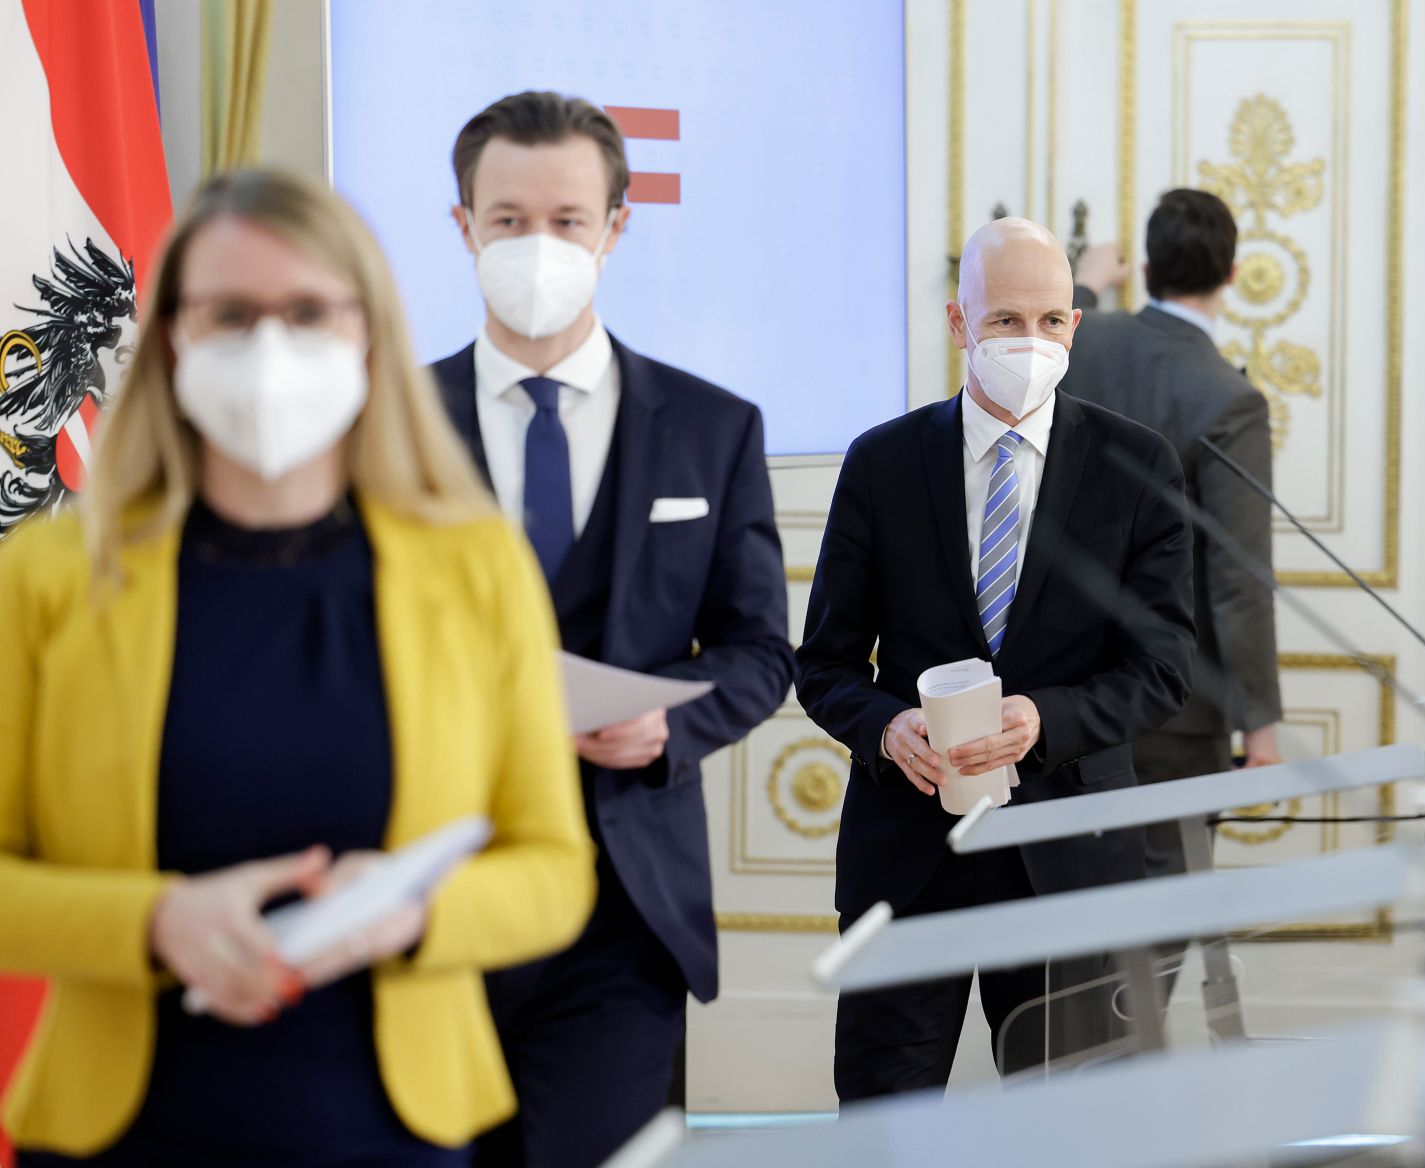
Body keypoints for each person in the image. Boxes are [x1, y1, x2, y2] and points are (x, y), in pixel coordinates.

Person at [0, 169, 593, 1167]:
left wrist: (410, 915)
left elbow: (553, 872)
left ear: (368, 331)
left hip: (393, 1131)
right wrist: (152, 922)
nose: (269, 346)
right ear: (172, 335)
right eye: (229, 313)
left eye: (308, 311)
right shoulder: (53, 572)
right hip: (121, 1132)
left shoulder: (474, 563)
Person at [427, 91, 793, 1167]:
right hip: (436, 895)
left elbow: (758, 650)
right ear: (463, 228)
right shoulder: (382, 430)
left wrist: (664, 727)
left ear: (614, 228)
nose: (536, 246)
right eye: (506, 221)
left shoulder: (714, 429)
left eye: (567, 220)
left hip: (621, 903)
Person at [795, 217, 1198, 1100]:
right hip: (907, 854)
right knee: (883, 1125)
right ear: (958, 323)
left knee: (1068, 1132)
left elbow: (1164, 665)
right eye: (1006, 320)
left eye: (1051, 321)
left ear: (1075, 327)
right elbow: (821, 666)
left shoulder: (1139, 466)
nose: (1030, 342)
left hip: (1070, 857)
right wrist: (888, 725)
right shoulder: (881, 463)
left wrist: (1042, 718)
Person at [1063, 189, 1284, 882]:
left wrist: (1085, 283)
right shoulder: (1228, 398)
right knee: (1160, 899)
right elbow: (1237, 573)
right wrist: (1261, 720)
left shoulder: (1079, 341)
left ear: (1150, 265)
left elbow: (1057, 326)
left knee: (1067, 896)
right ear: (1233, 273)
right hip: (1176, 705)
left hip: (1058, 688)